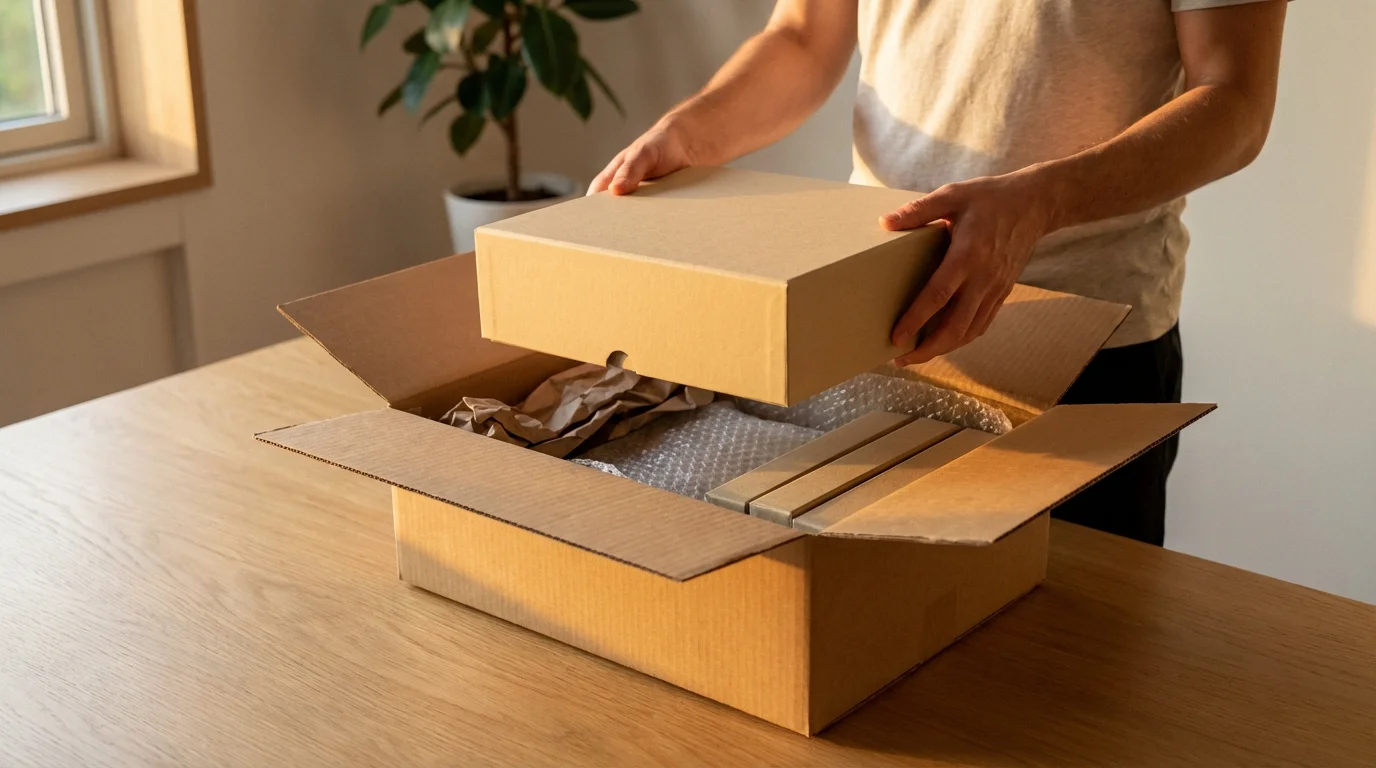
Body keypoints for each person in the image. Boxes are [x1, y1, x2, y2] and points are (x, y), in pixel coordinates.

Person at [589, 0, 1288, 546]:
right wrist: (690, 134)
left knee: (1075, 671)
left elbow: (1234, 100)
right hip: (878, 320)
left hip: (1085, 342)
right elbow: (805, 35)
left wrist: (1040, 202)